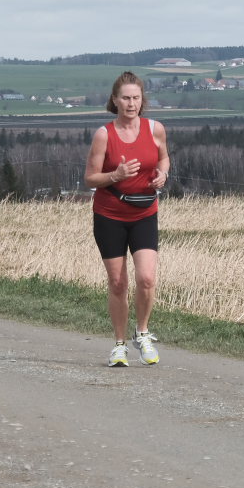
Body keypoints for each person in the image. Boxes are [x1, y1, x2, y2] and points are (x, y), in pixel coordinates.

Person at [84, 71, 170, 367]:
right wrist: (115, 175)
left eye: (136, 98)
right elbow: (90, 178)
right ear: (115, 100)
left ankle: (142, 333)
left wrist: (163, 174)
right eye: (125, 98)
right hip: (110, 215)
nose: (131, 104)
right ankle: (119, 345)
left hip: (145, 213)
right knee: (118, 282)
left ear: (142, 100)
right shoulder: (104, 135)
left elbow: (163, 158)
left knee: (146, 279)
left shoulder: (156, 129)